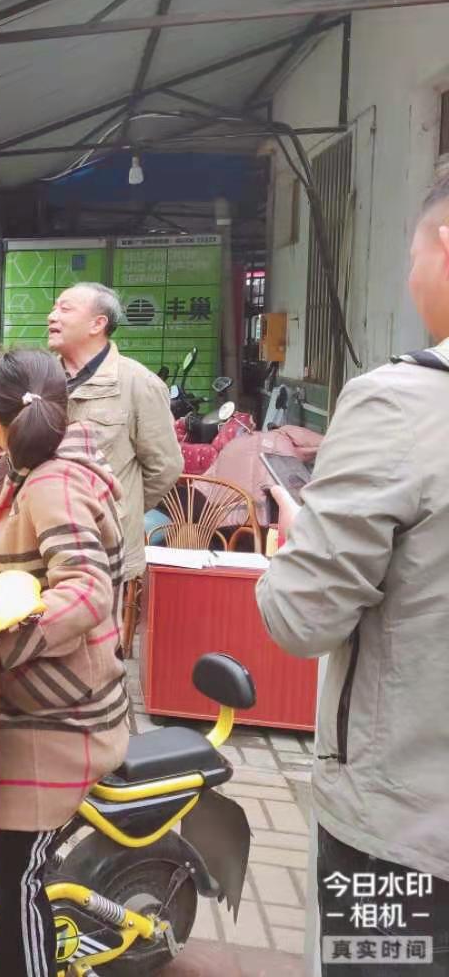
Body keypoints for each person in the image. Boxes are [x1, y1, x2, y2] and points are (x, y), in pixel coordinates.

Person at [257, 176, 449, 972]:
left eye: (412, 256)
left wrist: (293, 542)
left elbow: (302, 619)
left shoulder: (402, 404)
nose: (411, 276)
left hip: (402, 835)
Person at [0, 349, 129, 977]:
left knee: (13, 879)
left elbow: (87, 591)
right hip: (24, 701)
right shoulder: (21, 467)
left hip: (62, 721)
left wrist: (2, 635)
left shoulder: (54, 484)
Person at [47, 282, 181, 644]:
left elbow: (165, 467)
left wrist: (119, 508)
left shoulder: (137, 384)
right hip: (43, 538)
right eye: (54, 308)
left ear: (98, 324)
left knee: (96, 650)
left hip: (102, 547)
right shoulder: (42, 379)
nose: (52, 316)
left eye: (65, 309)